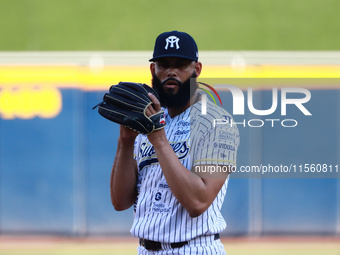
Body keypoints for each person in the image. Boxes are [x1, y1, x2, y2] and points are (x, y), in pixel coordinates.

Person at [110, 30, 240, 254]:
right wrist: (125, 142)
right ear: (153, 70)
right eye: (164, 64)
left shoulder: (217, 123)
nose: (171, 71)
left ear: (196, 69)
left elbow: (198, 202)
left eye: (181, 64)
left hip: (195, 248)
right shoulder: (148, 120)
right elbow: (120, 202)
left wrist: (159, 139)